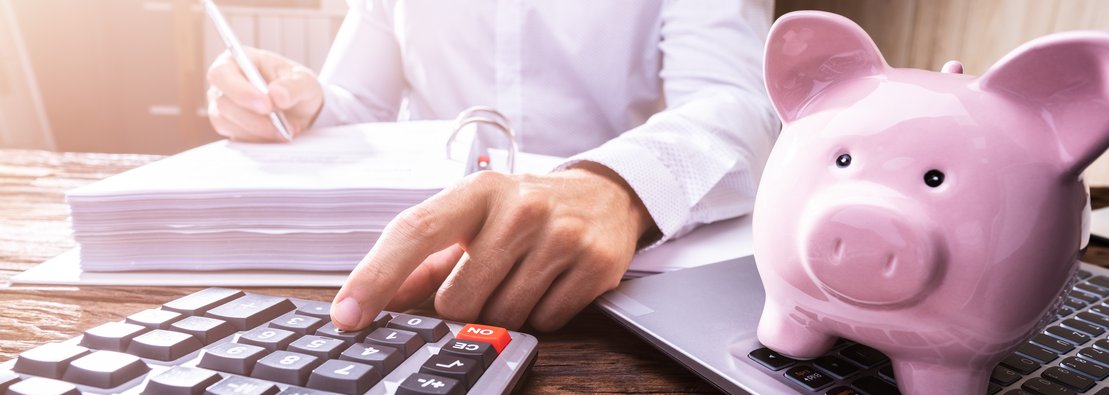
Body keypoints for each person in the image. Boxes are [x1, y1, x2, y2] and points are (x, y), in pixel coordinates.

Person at [205, 0, 779, 332]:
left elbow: (739, 105)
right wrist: (297, 104)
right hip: (408, 266)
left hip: (593, 275)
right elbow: (358, 104)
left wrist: (619, 186)